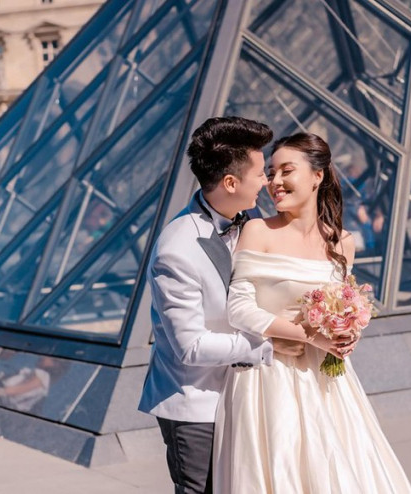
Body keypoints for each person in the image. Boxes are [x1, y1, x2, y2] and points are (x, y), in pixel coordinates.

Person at [213, 133, 411, 493]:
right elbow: (238, 308)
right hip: (268, 379)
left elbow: (343, 302)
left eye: (286, 171)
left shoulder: (342, 242)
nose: (275, 182)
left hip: (327, 380)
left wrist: (348, 331)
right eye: (271, 173)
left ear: (317, 176)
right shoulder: (258, 231)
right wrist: (308, 335)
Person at [138, 117, 305, 494]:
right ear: (231, 183)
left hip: (247, 394)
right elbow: (190, 346)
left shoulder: (252, 223)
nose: (267, 182)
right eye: (261, 174)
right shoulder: (177, 249)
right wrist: (268, 344)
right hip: (198, 403)